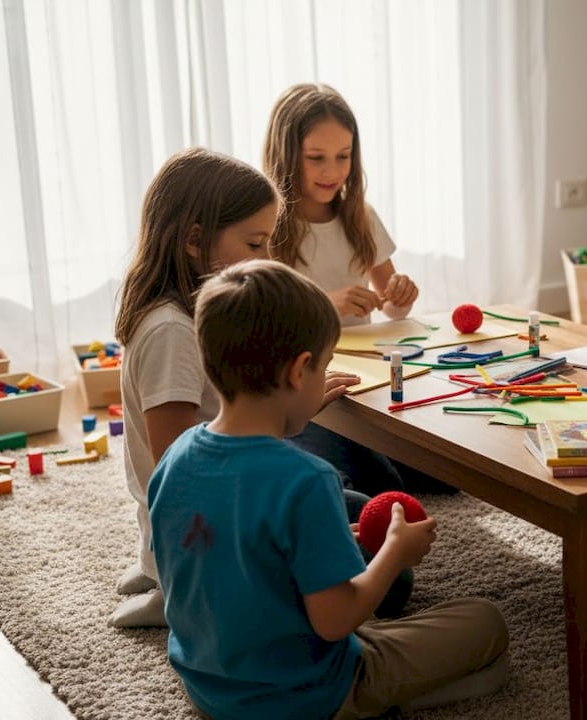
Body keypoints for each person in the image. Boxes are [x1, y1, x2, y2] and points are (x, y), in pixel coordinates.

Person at [149, 259, 509, 719]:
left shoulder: (176, 456)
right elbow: (336, 621)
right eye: (324, 365)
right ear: (301, 370)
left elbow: (219, 563)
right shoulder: (306, 479)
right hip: (301, 695)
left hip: (206, 685)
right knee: (484, 620)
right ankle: (371, 700)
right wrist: (394, 552)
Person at [110, 148, 398, 628]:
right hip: (203, 547)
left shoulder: (189, 316)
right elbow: (179, 476)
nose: (269, 261)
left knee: (358, 511)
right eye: (256, 245)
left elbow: (218, 435)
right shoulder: (171, 333)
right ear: (194, 242)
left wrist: (287, 405)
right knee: (387, 569)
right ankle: (167, 585)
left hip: (218, 520)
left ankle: (156, 568)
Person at [261, 82, 448, 496]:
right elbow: (261, 323)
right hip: (299, 386)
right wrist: (327, 304)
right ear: (287, 155)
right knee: (350, 488)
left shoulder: (359, 216)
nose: (332, 171)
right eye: (316, 158)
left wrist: (400, 294)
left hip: (360, 380)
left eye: (343, 157)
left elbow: (392, 310)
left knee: (429, 478)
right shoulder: (267, 225)